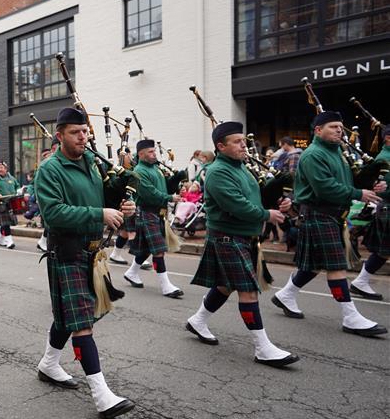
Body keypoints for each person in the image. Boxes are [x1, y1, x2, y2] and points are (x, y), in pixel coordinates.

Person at [32, 106, 137, 419]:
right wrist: (99, 214)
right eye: (76, 132)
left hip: (93, 253)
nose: (83, 137)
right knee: (82, 322)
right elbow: (53, 214)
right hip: (66, 250)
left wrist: (121, 205)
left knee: (71, 315)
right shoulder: (49, 170)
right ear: (60, 135)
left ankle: (49, 363)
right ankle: (102, 395)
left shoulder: (91, 162)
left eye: (85, 132)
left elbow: (101, 198)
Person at [186, 122, 299, 367]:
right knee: (247, 290)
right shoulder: (217, 172)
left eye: (243, 141)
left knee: (225, 286)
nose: (243, 145)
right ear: (220, 146)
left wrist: (281, 200)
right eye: (237, 142)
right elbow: (236, 205)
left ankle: (198, 320)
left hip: (243, 238)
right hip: (228, 237)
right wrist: (267, 215)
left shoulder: (241, 169)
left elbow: (255, 195)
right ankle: (263, 348)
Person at [271, 112, 387, 337]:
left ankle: (286, 295)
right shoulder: (314, 154)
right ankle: (350, 316)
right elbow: (325, 187)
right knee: (336, 267)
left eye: (340, 127)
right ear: (318, 130)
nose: (339, 130)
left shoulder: (338, 152)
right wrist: (358, 193)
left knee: (313, 265)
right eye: (333, 126)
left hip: (332, 216)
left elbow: (346, 181)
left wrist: (371, 184)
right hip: (318, 214)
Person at [124, 139, 184, 298]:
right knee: (159, 250)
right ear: (141, 154)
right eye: (150, 152)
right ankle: (166, 286)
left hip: (158, 213)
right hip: (147, 212)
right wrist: (170, 197)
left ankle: (131, 273)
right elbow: (150, 194)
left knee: (146, 248)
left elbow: (164, 187)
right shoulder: (139, 171)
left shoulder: (155, 168)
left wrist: (176, 178)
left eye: (154, 151)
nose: (154, 154)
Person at [351, 126, 390, 300]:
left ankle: (361, 281)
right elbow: (381, 190)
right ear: (388, 138)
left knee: (384, 251)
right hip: (388, 206)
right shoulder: (383, 159)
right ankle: (361, 281)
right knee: (383, 250)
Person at [0, 161, 19, 248]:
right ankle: (9, 241)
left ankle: (0, 239)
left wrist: (18, 191)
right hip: (1, 204)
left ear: (6, 169)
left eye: (1, 168)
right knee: (5, 223)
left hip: (11, 203)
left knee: (6, 222)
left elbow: (17, 186)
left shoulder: (12, 178)